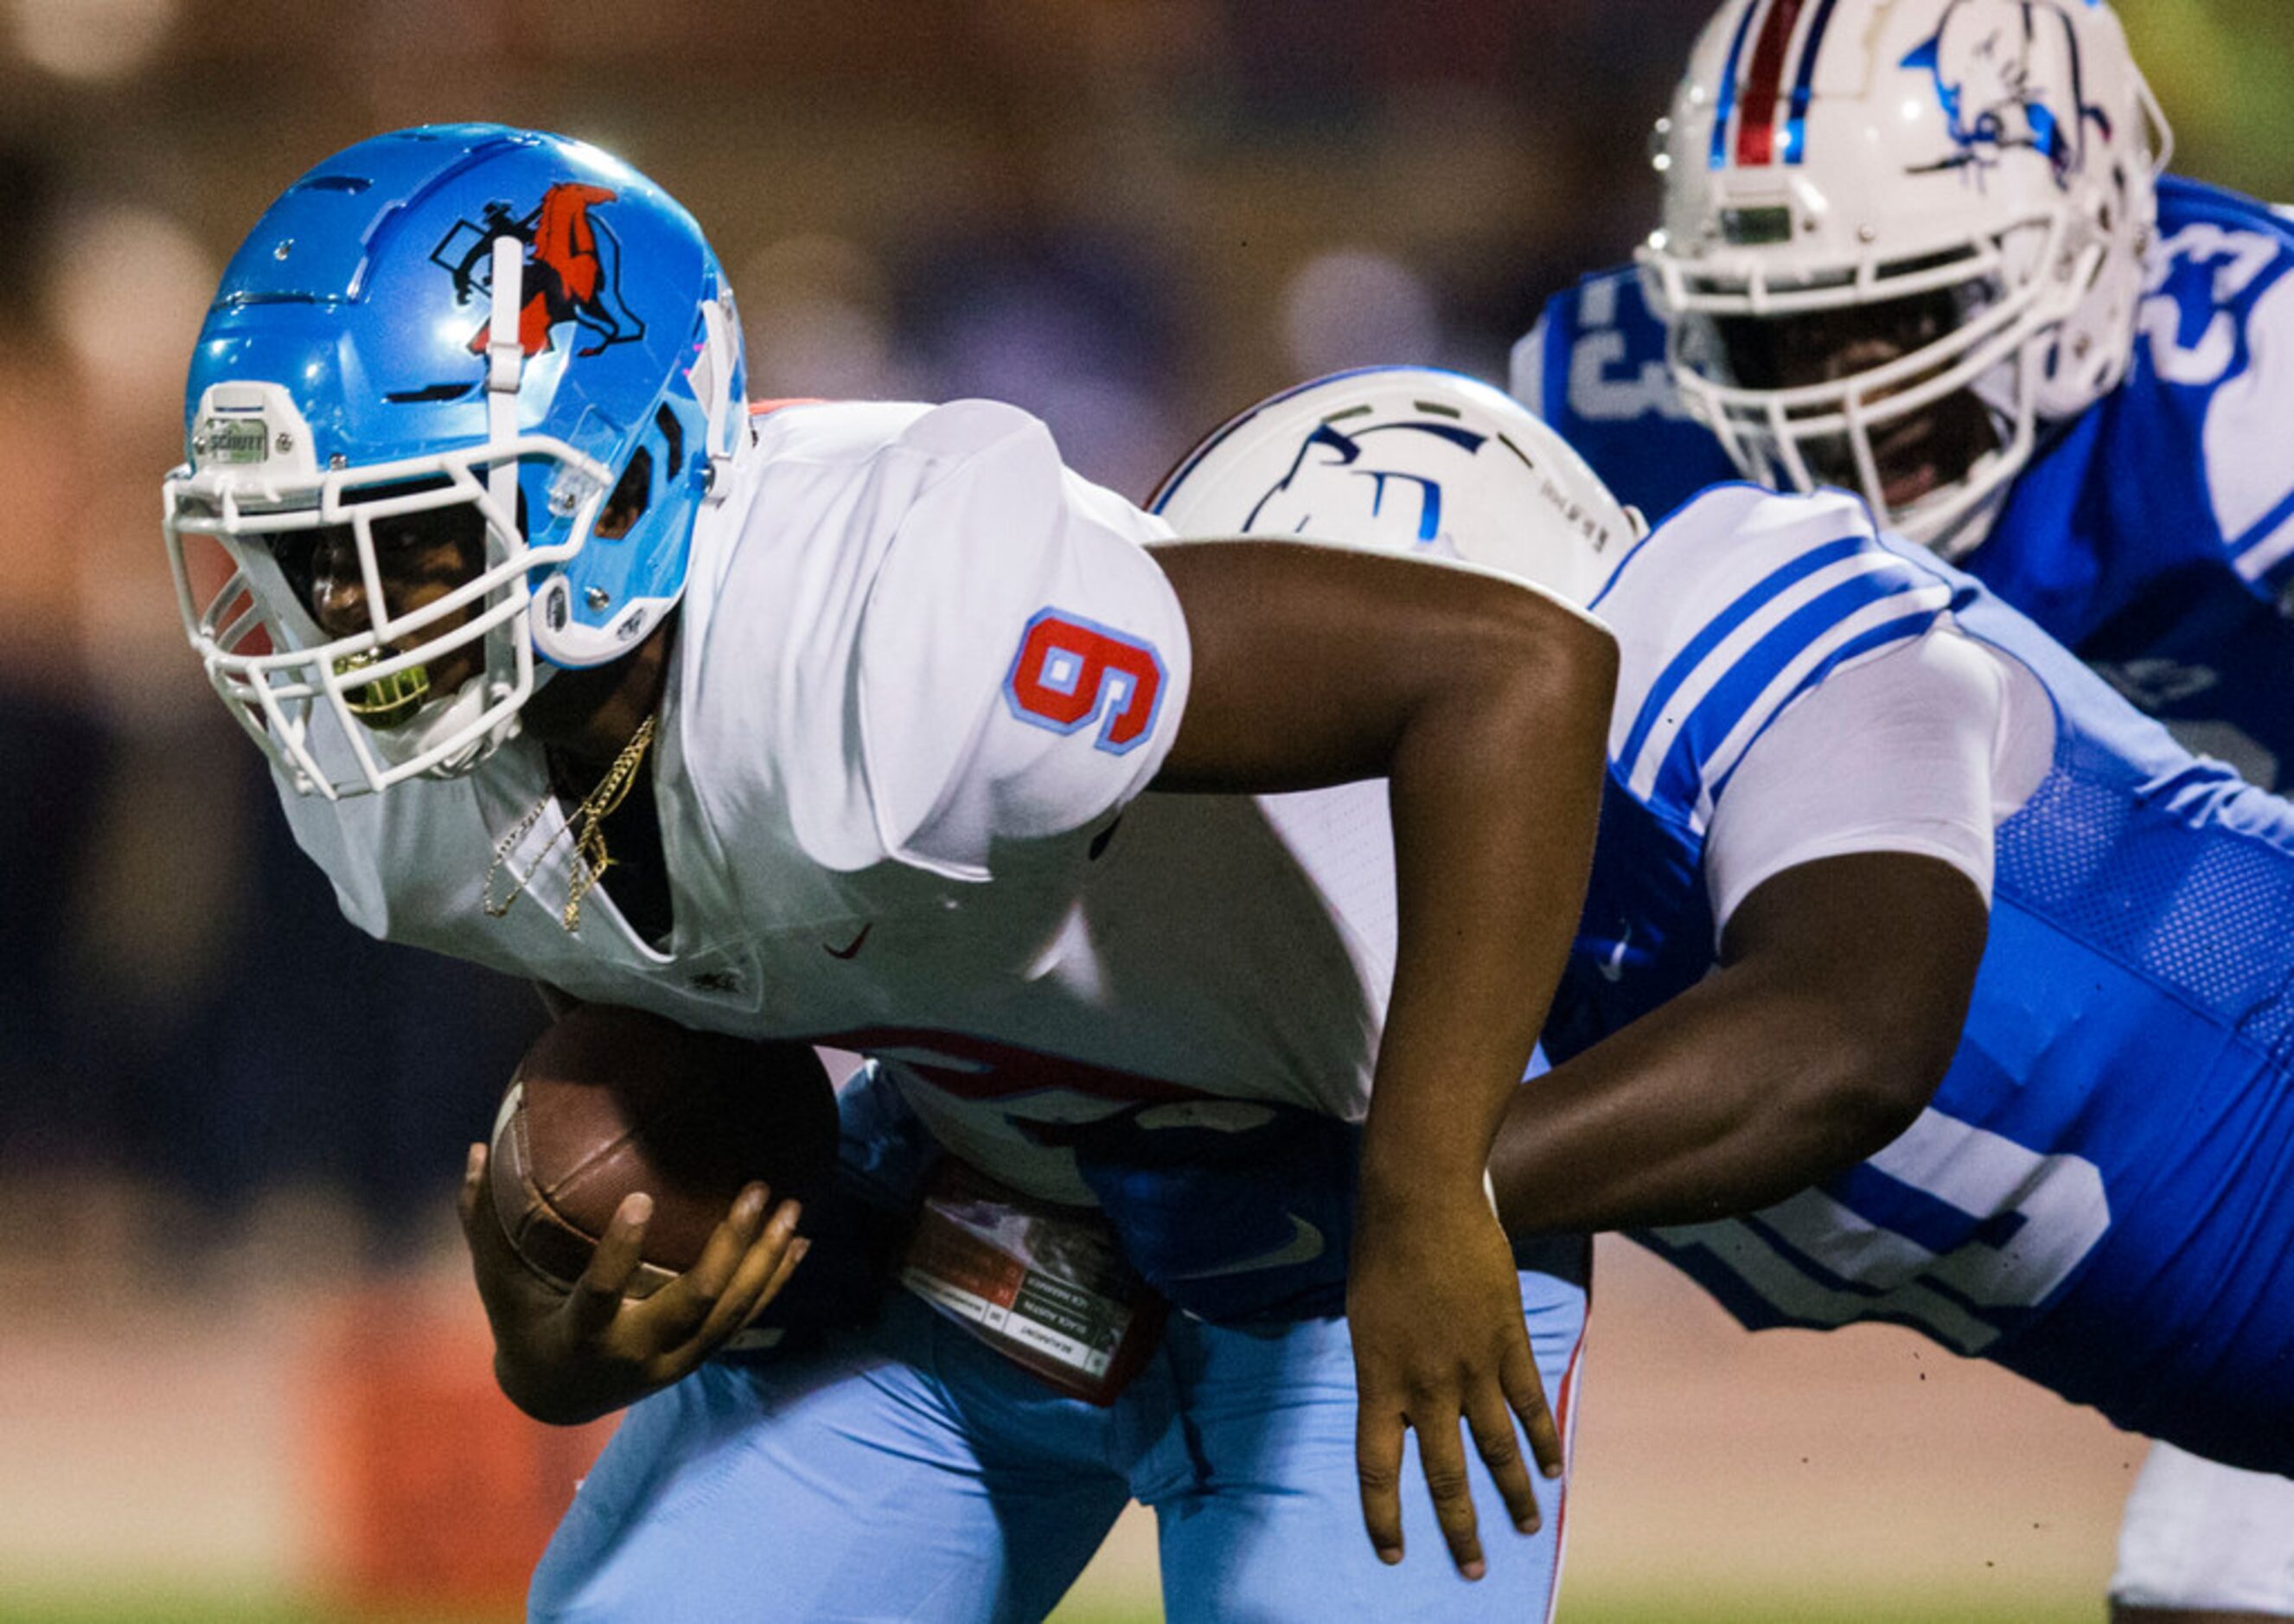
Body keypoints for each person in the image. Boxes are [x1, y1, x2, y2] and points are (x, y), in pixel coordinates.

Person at [163, 125, 1622, 1621]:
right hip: (975, 1197)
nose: (336, 619)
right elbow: (678, 1002)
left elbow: (1508, 672)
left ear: (621, 482)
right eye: (299, 553)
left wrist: (1437, 1189)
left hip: (1332, 1195)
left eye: (405, 538)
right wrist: (596, 1304)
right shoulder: (398, 784)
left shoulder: (888, 619)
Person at [1511, 3, 2294, 1616]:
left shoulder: (2251, 387)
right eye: (1771, 336)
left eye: (1896, 321)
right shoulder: (1601, 393)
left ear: (2082, 243)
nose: (1832, 408)